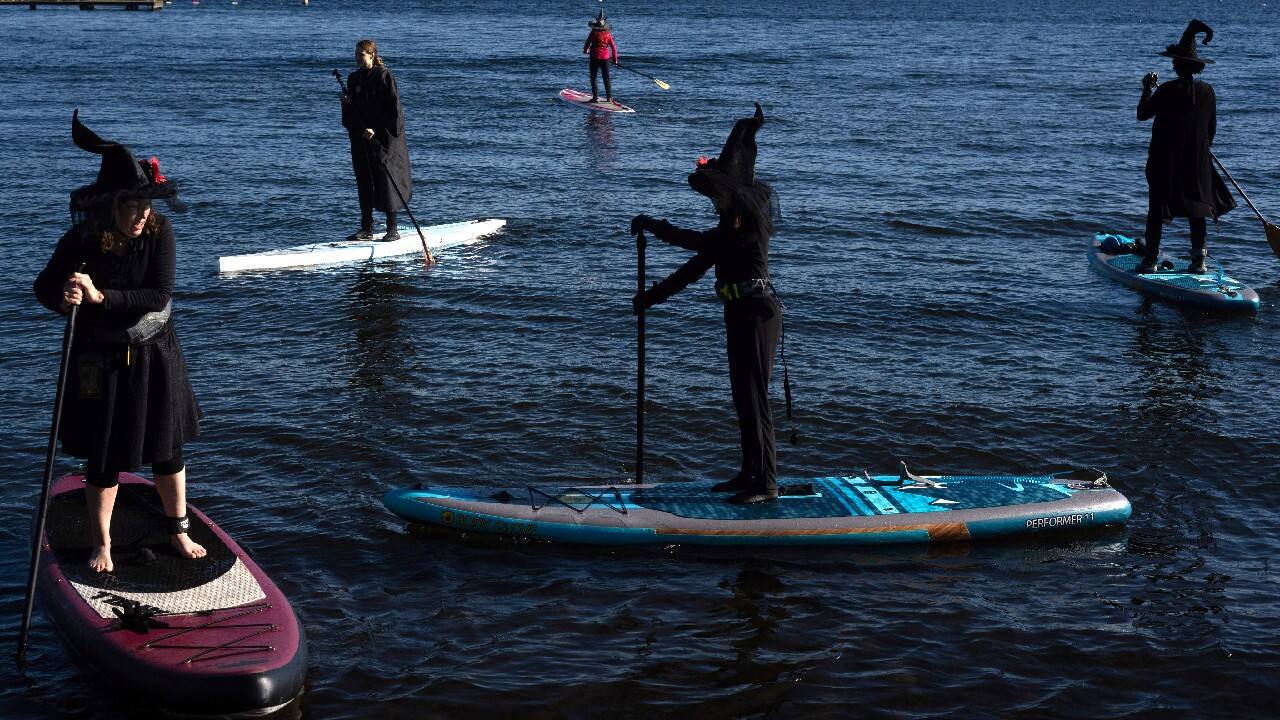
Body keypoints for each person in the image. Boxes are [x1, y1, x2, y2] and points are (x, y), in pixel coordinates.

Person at [34, 111, 204, 573]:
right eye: (133, 206)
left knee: (167, 449)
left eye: (146, 204)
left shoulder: (160, 232)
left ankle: (178, 530)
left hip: (154, 353)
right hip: (101, 359)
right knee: (103, 455)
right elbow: (43, 286)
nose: (143, 213)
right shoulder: (82, 239)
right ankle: (103, 542)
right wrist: (64, 296)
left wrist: (98, 295)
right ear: (111, 206)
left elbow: (159, 294)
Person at [630, 103, 781, 505]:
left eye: (717, 195)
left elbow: (697, 257)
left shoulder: (745, 227)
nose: (713, 201)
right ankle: (748, 473)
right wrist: (652, 294)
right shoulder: (728, 226)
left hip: (756, 312)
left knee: (754, 398)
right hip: (738, 310)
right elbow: (699, 255)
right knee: (741, 396)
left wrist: (653, 292)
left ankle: (765, 484)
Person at [1135, 19, 1235, 274]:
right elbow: (1211, 129)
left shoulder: (1166, 90)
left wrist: (1147, 89)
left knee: (1157, 207)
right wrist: (1200, 150)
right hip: (1197, 159)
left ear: (1177, 64)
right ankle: (1198, 261)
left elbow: (1143, 114)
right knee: (1198, 207)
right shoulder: (1208, 92)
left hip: (1166, 160)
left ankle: (1150, 260)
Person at [341, 38, 412, 242]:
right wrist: (345, 104)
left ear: (371, 54)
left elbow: (394, 112)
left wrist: (378, 131)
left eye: (360, 54)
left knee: (386, 181)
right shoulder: (353, 79)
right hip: (360, 140)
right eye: (355, 54)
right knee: (364, 182)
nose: (357, 58)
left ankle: (392, 229)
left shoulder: (384, 76)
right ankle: (367, 228)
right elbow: (351, 116)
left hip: (383, 140)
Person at [583, 9, 620, 105]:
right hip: (605, 58)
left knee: (593, 77)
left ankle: (595, 98)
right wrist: (615, 59)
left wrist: (585, 50)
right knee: (606, 77)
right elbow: (613, 47)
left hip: (594, 57)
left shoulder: (593, 32)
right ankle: (609, 98)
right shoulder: (608, 34)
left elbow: (587, 43)